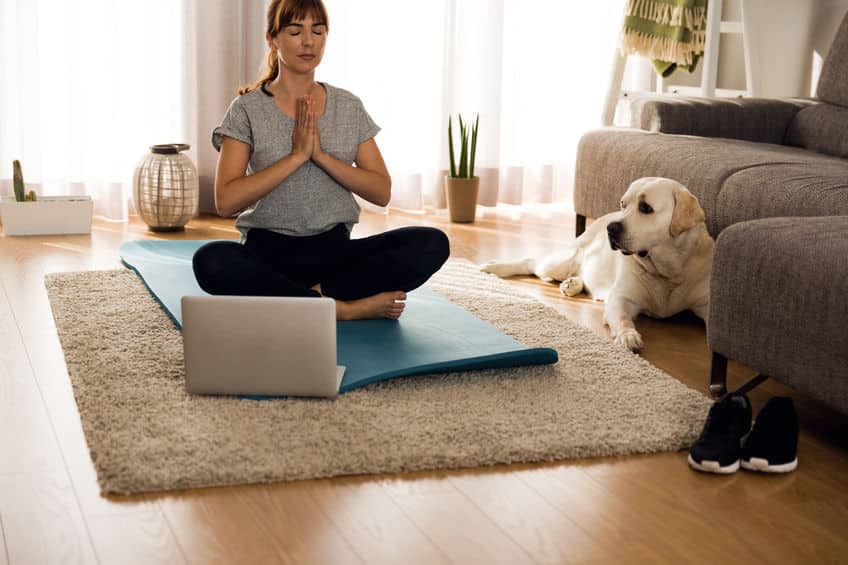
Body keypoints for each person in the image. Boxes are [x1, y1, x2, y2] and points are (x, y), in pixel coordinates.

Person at [193, 0, 450, 320]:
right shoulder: (246, 108)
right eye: (295, 31)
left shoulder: (348, 106)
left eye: (318, 31)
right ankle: (341, 309)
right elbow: (226, 200)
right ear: (272, 39)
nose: (308, 41)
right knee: (210, 261)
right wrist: (296, 156)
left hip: (335, 255)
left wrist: (321, 156)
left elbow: (381, 190)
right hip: (267, 252)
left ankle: (305, 300)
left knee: (432, 243)